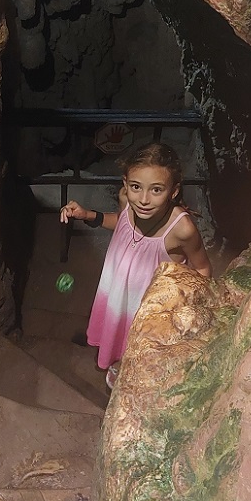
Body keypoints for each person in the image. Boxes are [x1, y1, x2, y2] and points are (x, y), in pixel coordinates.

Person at [60, 142, 212, 389]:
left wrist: (190, 309)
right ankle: (117, 366)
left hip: (146, 309)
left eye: (156, 190)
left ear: (173, 192)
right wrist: (89, 215)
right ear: (125, 183)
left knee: (139, 350)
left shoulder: (182, 229)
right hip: (119, 293)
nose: (143, 199)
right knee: (119, 335)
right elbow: (122, 224)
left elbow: (203, 268)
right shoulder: (127, 202)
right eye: (136, 187)